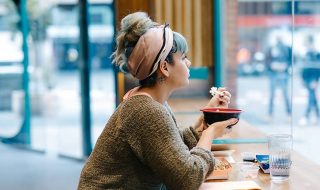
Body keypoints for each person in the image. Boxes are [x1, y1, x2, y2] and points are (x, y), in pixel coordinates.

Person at [78, 12, 237, 190]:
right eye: (183, 57)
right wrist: (209, 134)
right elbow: (187, 179)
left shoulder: (148, 102)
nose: (189, 63)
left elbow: (167, 151)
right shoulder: (146, 111)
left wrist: (205, 124)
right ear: (164, 67)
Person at [266, 36, 292, 121]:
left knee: (285, 94)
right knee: (272, 95)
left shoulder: (287, 48)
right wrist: (272, 66)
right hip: (274, 73)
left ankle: (288, 114)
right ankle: (270, 114)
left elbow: (291, 59)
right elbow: (267, 60)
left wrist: (285, 66)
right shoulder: (272, 48)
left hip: (283, 73)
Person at [299, 35, 320, 125]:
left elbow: (317, 68)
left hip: (312, 79)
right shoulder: (306, 53)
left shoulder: (316, 54)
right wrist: (303, 79)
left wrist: (315, 80)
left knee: (311, 97)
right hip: (307, 79)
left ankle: (306, 116)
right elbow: (303, 68)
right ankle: (317, 116)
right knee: (313, 97)